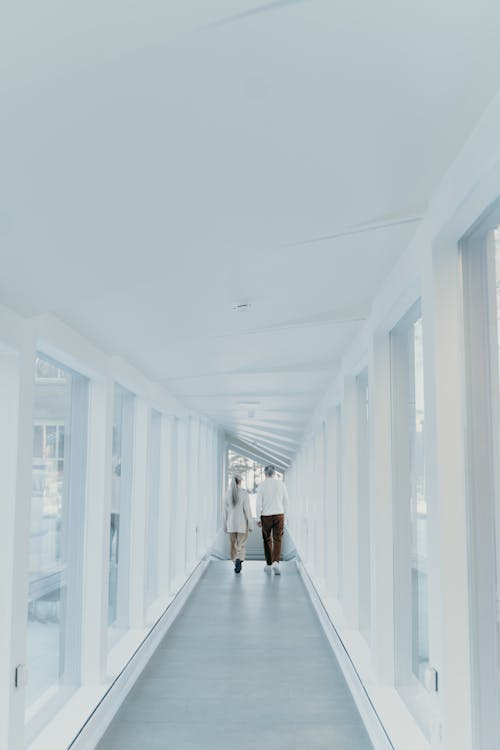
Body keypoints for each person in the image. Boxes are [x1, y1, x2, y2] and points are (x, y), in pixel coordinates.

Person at [256, 465, 288, 575]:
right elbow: (286, 501)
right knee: (278, 539)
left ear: (265, 474)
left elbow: (258, 503)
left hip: (266, 516)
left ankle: (269, 564)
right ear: (274, 473)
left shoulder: (262, 485)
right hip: (279, 514)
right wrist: (285, 516)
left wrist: (258, 517)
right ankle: (276, 562)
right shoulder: (281, 484)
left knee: (266, 539)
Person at [223, 476, 254, 573]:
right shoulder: (244, 493)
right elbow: (247, 510)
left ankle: (235, 560)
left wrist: (225, 525)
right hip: (242, 524)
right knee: (241, 545)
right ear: (240, 481)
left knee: (233, 545)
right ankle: (239, 560)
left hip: (231, 524)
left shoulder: (227, 494)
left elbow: (224, 512)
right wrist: (251, 524)